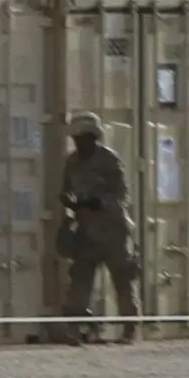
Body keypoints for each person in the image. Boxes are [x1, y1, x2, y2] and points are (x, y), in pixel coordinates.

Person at [54, 115, 145, 344]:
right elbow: (66, 189)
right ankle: (75, 329)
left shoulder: (108, 160)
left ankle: (129, 329)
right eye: (76, 138)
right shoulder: (72, 162)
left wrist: (99, 202)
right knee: (80, 281)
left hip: (113, 230)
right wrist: (69, 202)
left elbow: (121, 193)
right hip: (86, 231)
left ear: (93, 137)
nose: (78, 142)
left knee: (122, 280)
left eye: (82, 137)